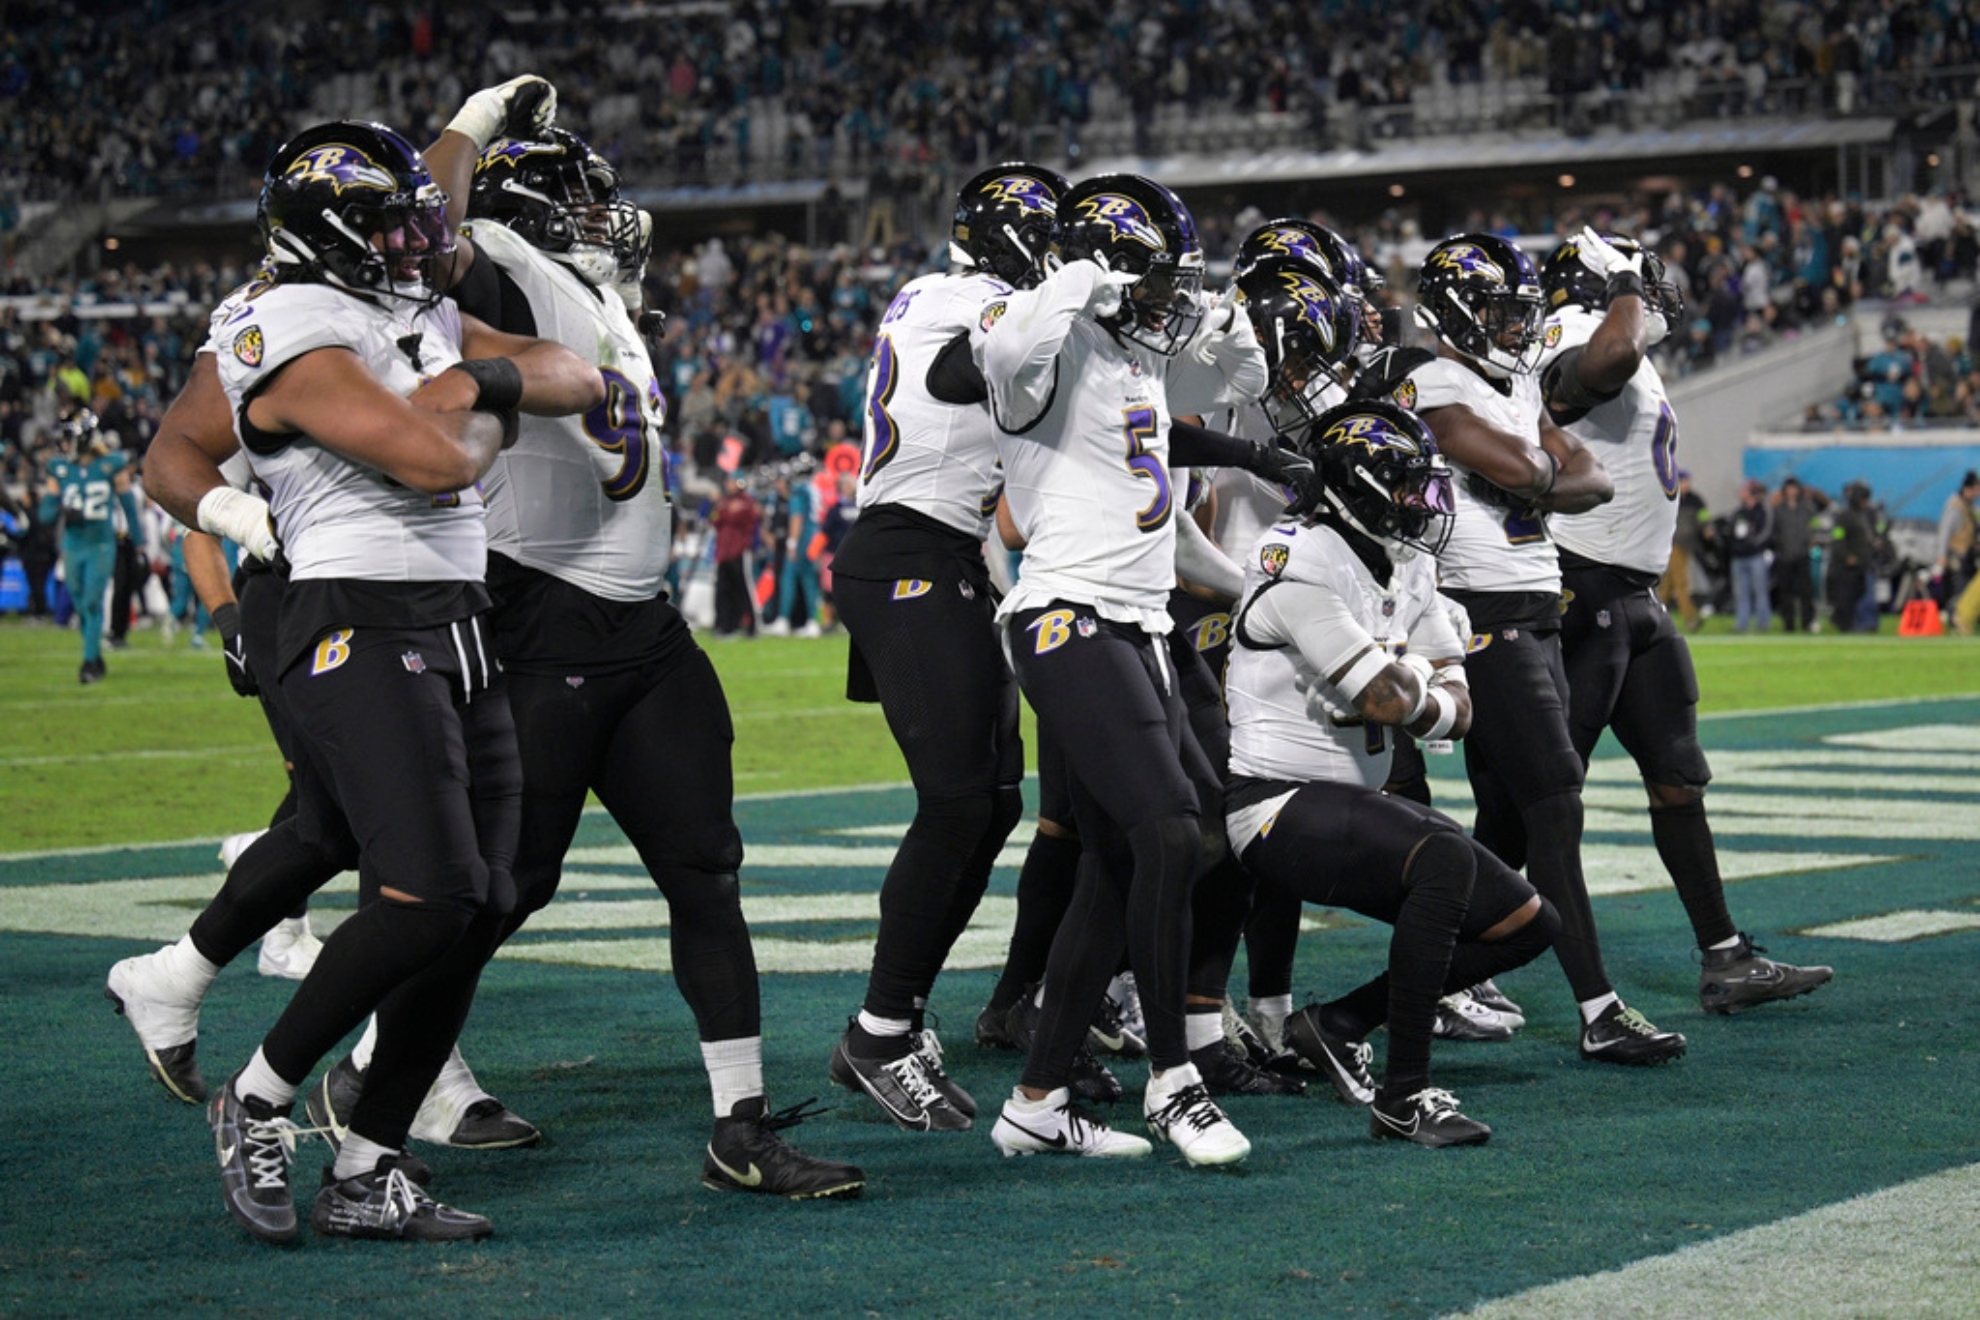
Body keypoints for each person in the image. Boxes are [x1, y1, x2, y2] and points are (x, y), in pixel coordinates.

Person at [319, 104, 857, 1199]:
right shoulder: (504, 266)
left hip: (646, 631)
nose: (603, 216)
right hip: (543, 623)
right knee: (500, 890)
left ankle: (741, 1127)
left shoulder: (603, 296)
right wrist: (473, 124)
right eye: (576, 196)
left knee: (707, 871)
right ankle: (372, 1086)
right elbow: (425, 220)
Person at [184, 118, 601, 1244]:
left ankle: (369, 1168)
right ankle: (260, 1095)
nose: (415, 239)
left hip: (458, 618)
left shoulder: (400, 308)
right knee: (423, 896)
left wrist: (474, 379)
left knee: (483, 904)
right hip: (357, 619)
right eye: (385, 220)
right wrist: (483, 402)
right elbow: (431, 462)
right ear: (324, 232)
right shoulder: (287, 320)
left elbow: (579, 374)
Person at [977, 173, 1267, 1163]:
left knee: (1120, 859)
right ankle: (1173, 1083)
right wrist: (1081, 272)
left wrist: (1244, 588)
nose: (1170, 295)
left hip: (1139, 625)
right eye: (1157, 274)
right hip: (1066, 616)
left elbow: (1247, 390)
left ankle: (1036, 1103)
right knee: (1172, 832)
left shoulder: (1134, 365)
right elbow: (1012, 343)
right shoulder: (1039, 346)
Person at [1224, 399, 1558, 1144]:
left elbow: (1453, 711)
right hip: (1271, 805)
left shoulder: (1406, 561)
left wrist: (1416, 687)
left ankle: (1339, 1023)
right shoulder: (1301, 558)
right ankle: (1406, 1094)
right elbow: (1386, 699)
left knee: (1530, 922)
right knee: (1441, 857)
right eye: (1409, 485)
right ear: (1358, 482)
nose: (1426, 503)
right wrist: (1417, 678)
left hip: (1349, 804)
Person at [1399, 232, 1687, 1066]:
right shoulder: (1435, 381)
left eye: (1519, 311)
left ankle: (1393, 1001)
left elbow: (1585, 478)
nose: (1514, 326)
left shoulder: (1517, 378)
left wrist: (1536, 471)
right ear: (1454, 308)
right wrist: (1537, 470)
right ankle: (1599, 1008)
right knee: (1556, 803)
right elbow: (1516, 467)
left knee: (1507, 820)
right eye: (1497, 308)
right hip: (1483, 613)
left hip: (1535, 609)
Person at [1537, 229, 1832, 1017]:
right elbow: (1600, 368)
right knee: (1538, 800)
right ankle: (1455, 965)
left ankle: (1724, 955)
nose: (1655, 292)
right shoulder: (1573, 330)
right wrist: (1623, 283)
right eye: (1638, 281)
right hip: (1578, 590)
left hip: (1632, 598)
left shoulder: (1628, 339)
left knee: (1677, 777)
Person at [825, 162, 1064, 1133]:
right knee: (960, 801)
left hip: (949, 555)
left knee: (994, 804)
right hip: (909, 552)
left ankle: (896, 1016)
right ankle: (878, 1031)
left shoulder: (975, 298)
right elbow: (954, 374)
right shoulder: (954, 299)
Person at [39, 410, 139, 682]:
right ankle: (94, 653)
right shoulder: (59, 468)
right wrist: (61, 507)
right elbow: (45, 515)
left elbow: (129, 507)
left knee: (93, 602)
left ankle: (89, 663)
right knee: (81, 604)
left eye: (69, 439)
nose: (64, 444)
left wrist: (139, 543)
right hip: (72, 544)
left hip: (100, 543)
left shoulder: (111, 464)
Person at [711, 475, 761, 637]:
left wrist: (723, 509)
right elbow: (715, 519)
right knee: (723, 589)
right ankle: (725, 624)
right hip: (724, 551)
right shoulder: (725, 502)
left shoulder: (746, 502)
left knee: (742, 588)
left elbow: (737, 517)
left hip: (739, 551)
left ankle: (749, 623)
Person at [1827, 480, 1877, 632]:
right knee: (1847, 597)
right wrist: (1846, 556)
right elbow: (1837, 539)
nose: (1867, 502)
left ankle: (1866, 623)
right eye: (1864, 499)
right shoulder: (1844, 517)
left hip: (1863, 563)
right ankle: (1849, 623)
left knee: (1863, 594)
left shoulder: (1865, 515)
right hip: (1848, 566)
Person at [1772, 477, 1819, 633]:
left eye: (1794, 488)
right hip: (1784, 556)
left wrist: (1811, 538)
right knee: (1786, 592)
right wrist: (1779, 547)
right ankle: (1788, 623)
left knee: (1806, 591)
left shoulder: (1807, 508)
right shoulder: (1778, 509)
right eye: (1789, 488)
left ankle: (1807, 622)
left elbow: (1814, 525)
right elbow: (1774, 531)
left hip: (1802, 554)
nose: (1792, 492)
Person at [1728, 478, 1773, 633]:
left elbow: (1766, 532)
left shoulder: (1762, 511)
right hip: (1739, 557)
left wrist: (1754, 543)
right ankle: (1742, 623)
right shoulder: (1738, 513)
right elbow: (1731, 533)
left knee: (1760, 591)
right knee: (1741, 593)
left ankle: (1763, 623)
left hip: (1756, 556)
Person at [1663, 471, 1707, 631]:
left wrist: (1707, 527)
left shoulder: (1695, 500)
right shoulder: (1670, 497)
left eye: (1687, 481)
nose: (1686, 484)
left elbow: (1704, 516)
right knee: (1681, 582)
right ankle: (1691, 617)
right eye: (1683, 481)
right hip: (1672, 544)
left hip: (1687, 545)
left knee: (1668, 583)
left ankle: (1656, 613)